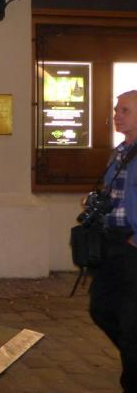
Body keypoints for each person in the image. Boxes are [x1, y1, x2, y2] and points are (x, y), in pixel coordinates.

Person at [89, 89, 137, 392]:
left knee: (131, 323)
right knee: (101, 307)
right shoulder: (120, 152)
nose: (117, 116)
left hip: (134, 245)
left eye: (125, 110)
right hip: (112, 243)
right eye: (117, 110)